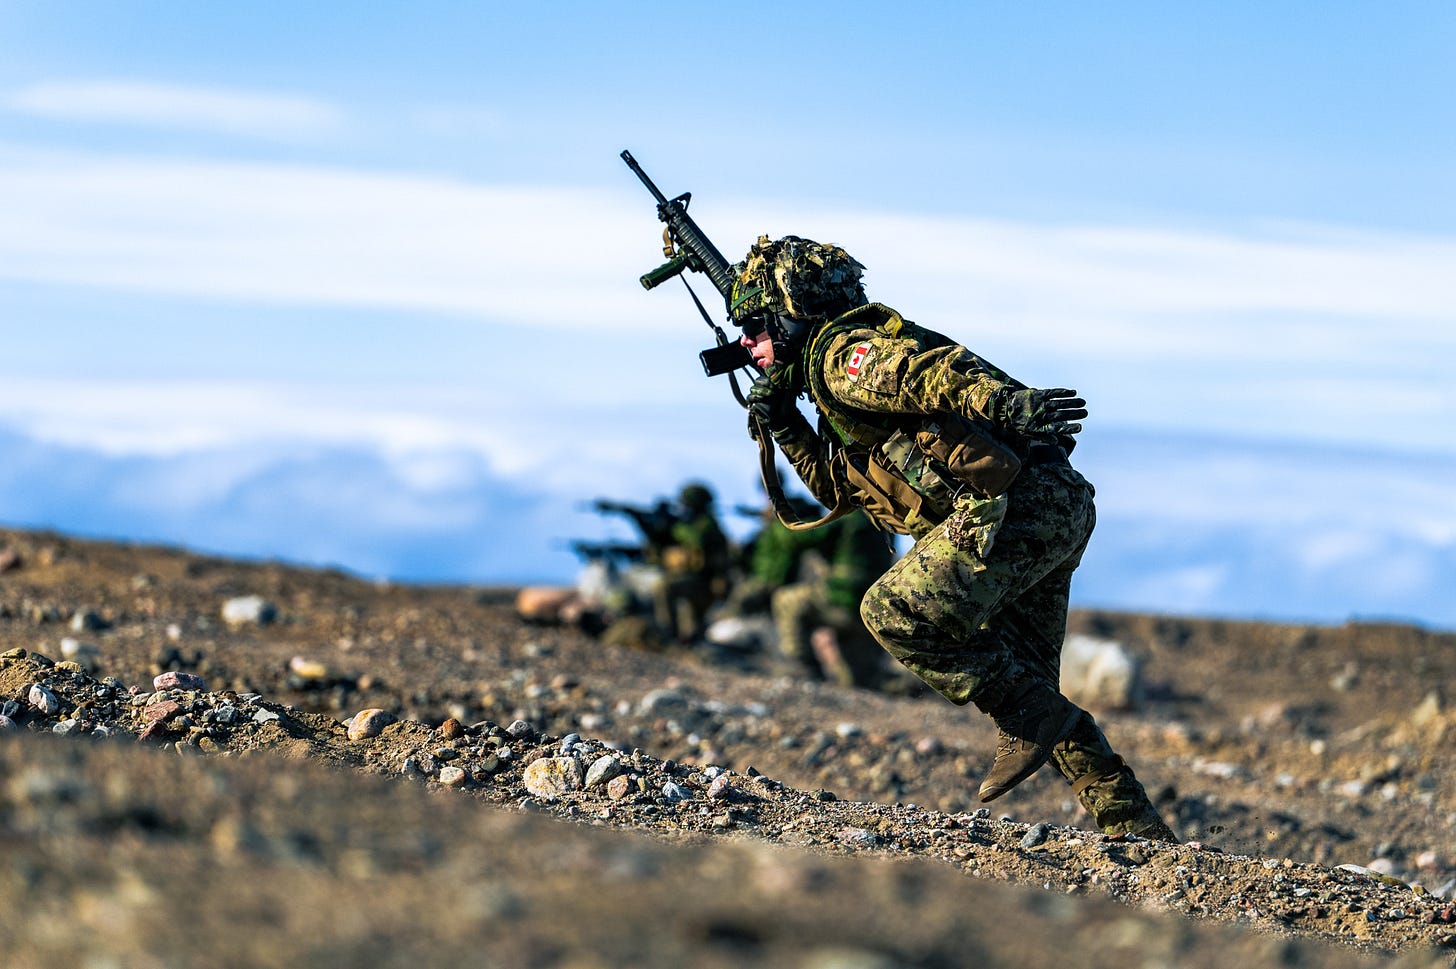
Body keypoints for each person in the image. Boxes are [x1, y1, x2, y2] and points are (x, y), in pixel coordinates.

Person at [729, 234, 1175, 840]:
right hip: (1046, 508)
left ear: (789, 314)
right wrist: (785, 423)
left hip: (1015, 511)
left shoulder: (842, 355)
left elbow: (924, 374)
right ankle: (1133, 823)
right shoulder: (828, 383)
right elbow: (840, 490)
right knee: (1027, 682)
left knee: (892, 612)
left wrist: (1006, 403)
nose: (747, 347)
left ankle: (1041, 727)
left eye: (754, 326)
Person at [770, 508, 897, 689]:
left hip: (841, 601)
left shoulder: (849, 517)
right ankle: (906, 688)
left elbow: (797, 538)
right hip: (870, 609)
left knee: (786, 600)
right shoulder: (884, 522)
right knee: (860, 682)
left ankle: (803, 668)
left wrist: (780, 518)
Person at [653, 481, 732, 644]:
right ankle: (679, 637)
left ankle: (668, 634)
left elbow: (694, 538)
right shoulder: (690, 524)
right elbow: (661, 541)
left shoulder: (707, 525)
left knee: (665, 587)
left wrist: (671, 523)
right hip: (694, 581)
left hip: (705, 584)